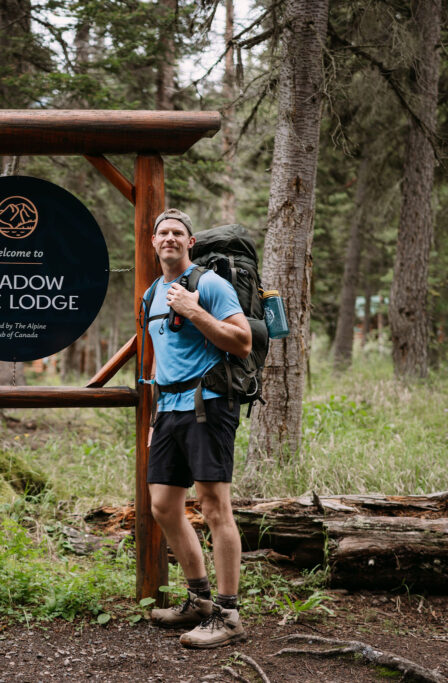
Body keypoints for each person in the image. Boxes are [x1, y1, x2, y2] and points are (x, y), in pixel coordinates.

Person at [144, 209, 252, 649]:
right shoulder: (152, 292)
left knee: (213, 507)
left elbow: (242, 342)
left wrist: (193, 311)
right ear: (153, 243)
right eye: (162, 233)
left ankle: (228, 615)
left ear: (190, 243)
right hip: (168, 410)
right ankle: (199, 601)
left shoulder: (209, 284)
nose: (169, 238)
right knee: (164, 506)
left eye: (177, 233)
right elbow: (159, 360)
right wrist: (155, 419)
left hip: (207, 403)